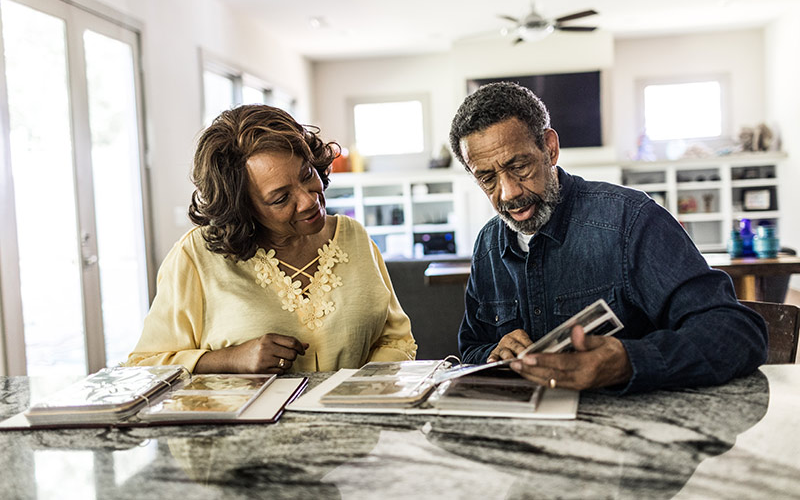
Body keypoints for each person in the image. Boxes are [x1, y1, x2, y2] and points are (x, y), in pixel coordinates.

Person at [448, 82, 767, 393]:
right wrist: (495, 355)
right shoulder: (487, 246)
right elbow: (473, 349)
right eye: (487, 179)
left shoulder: (631, 221)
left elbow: (736, 332)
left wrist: (629, 362)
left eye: (519, 167)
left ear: (550, 147)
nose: (508, 192)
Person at [126, 104, 416, 374]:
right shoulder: (196, 257)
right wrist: (231, 359)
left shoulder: (354, 237)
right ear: (243, 208)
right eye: (280, 198)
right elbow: (145, 366)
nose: (308, 200)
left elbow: (397, 340)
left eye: (307, 174)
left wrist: (361, 389)